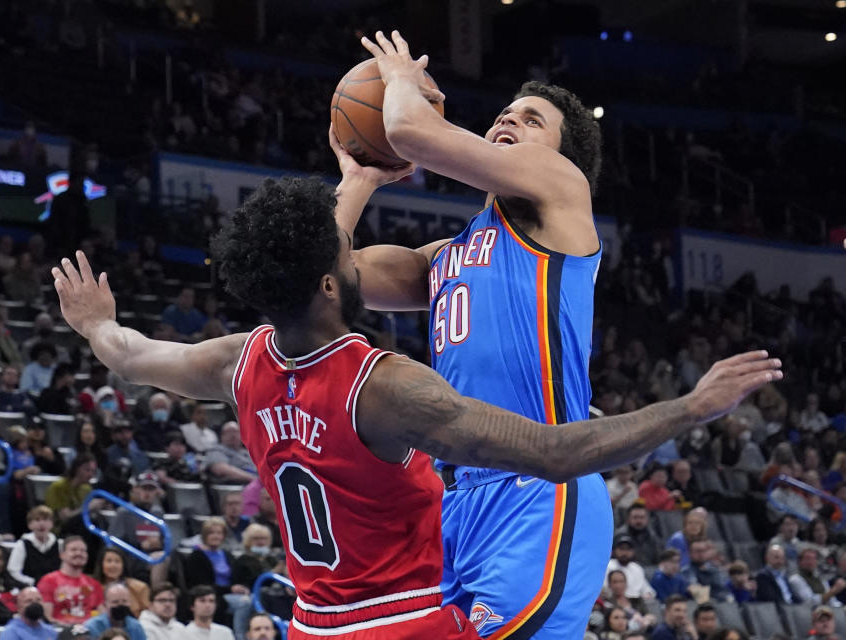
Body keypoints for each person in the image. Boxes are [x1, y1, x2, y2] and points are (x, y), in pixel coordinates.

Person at [52, 178, 780, 638]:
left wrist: (93, 323)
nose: (357, 252)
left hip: (311, 623)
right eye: (347, 252)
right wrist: (691, 405)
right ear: (332, 286)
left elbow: (131, 354)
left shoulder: (237, 361)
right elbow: (556, 454)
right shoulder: (388, 388)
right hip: (405, 624)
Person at [345, 29, 658, 638]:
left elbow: (411, 132)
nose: (507, 120)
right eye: (504, 113)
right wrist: (357, 182)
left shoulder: (561, 187)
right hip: (455, 500)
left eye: (531, 119)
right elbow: (323, 281)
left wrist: (403, 79)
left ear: (559, 155)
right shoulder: (443, 257)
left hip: (537, 487)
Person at [37, 536, 103, 625]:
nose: (79, 553)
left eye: (83, 550)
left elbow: (103, 616)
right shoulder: (48, 581)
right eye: (73, 550)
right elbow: (47, 618)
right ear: (62, 555)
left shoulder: (94, 584)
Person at [7, 506, 61, 587]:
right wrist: (32, 582)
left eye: (45, 519)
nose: (41, 523)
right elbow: (13, 571)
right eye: (37, 520)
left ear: (52, 523)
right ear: (29, 525)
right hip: (32, 588)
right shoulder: (22, 545)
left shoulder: (60, 544)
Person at [92, 548, 150, 618]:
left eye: (117, 561)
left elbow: (147, 615)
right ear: (101, 564)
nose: (113, 565)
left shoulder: (140, 588)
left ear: (123, 565)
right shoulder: (91, 587)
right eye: (109, 561)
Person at [44, 453, 97, 528]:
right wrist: (88, 507)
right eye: (87, 470)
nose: (90, 474)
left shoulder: (86, 489)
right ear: (76, 468)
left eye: (93, 471)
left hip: (81, 527)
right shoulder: (59, 487)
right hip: (59, 528)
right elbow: (65, 518)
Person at [606, 535, 656, 600]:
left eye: (628, 549)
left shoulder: (637, 568)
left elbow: (648, 590)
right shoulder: (608, 566)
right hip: (614, 601)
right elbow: (604, 589)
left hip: (636, 603)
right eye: (621, 548)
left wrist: (648, 595)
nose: (624, 553)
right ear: (614, 550)